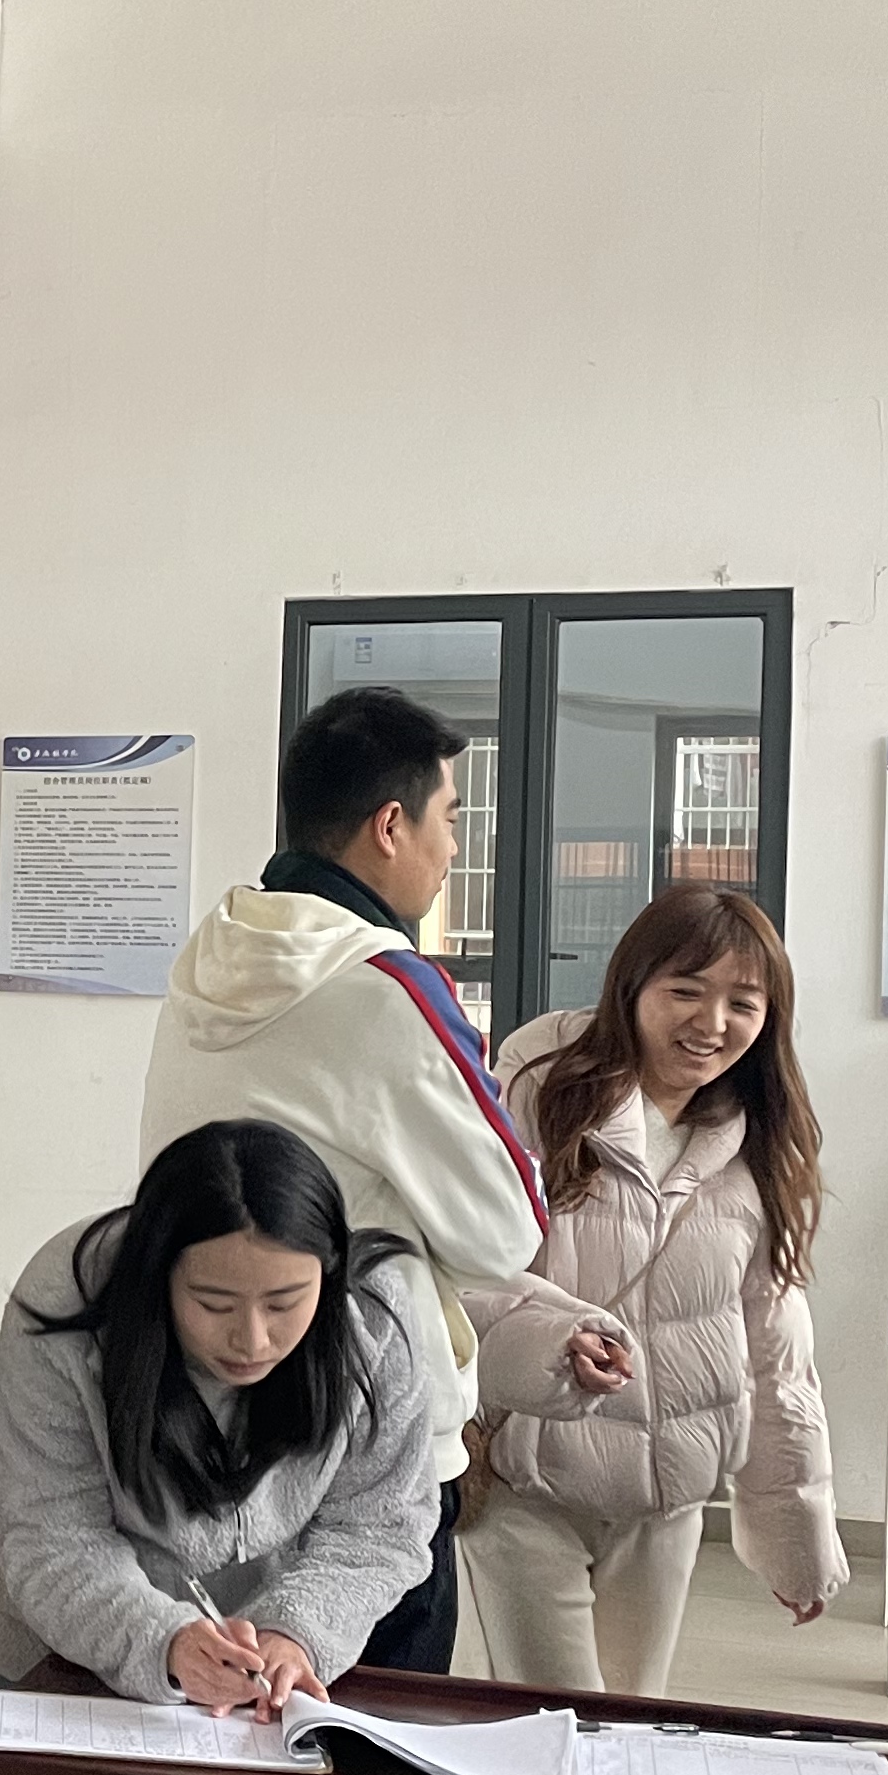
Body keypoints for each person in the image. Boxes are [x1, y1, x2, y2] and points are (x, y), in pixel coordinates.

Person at [139, 686, 546, 1673]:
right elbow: (507, 1231)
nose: (453, 849)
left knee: (236, 1713)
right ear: (391, 826)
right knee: (375, 1733)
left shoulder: (207, 960)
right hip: (367, 1421)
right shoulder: (386, 988)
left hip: (202, 1402)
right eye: (451, 819)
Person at [455, 886, 841, 1697]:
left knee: (632, 1725)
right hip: (530, 1482)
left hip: (666, 1498)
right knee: (551, 1719)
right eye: (685, 990)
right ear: (630, 988)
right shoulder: (541, 1092)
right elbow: (466, 1268)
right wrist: (551, 1346)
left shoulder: (758, 1139)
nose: (712, 1023)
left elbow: (777, 1350)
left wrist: (795, 1538)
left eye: (743, 1003)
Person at [0, 1119, 440, 1711]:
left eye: (284, 1303)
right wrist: (164, 1641)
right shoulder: (67, 1301)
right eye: (214, 1303)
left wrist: (296, 1627)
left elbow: (380, 1521)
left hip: (256, 1637)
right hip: (59, 1633)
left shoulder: (373, 1315)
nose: (252, 1339)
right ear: (157, 1274)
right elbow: (54, 1537)